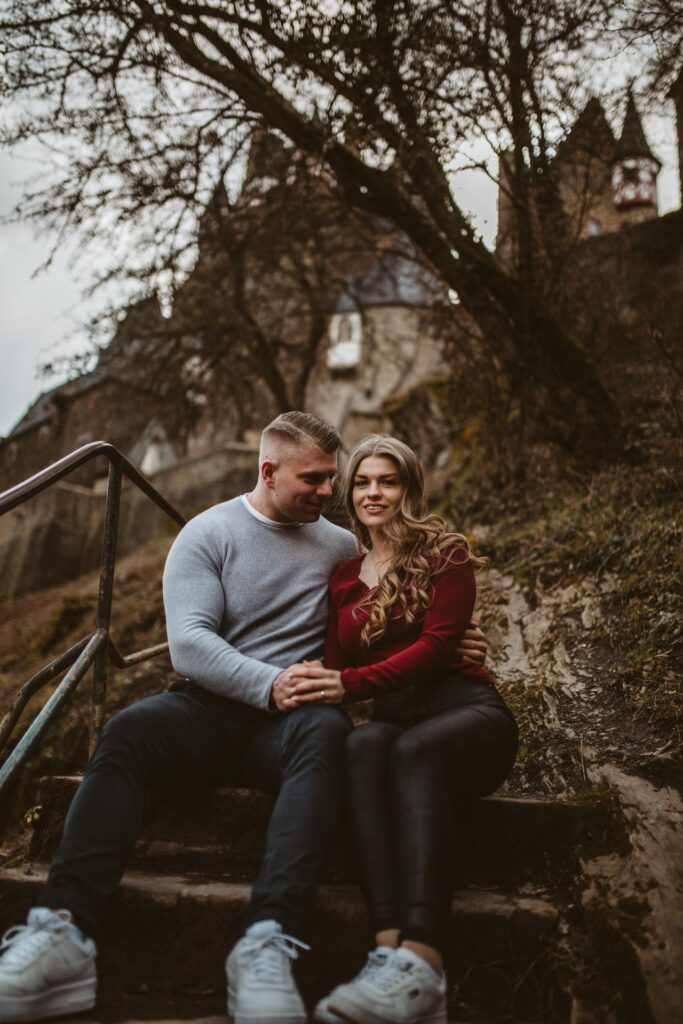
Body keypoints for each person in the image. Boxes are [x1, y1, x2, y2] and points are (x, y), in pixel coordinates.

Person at [0, 414, 487, 1024]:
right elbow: (190, 645)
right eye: (313, 479)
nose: (328, 493)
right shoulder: (208, 534)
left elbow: (390, 602)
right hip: (207, 707)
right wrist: (269, 682)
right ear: (268, 471)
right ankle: (63, 931)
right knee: (127, 730)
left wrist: (454, 639)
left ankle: (266, 937)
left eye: (331, 480)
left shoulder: (341, 544)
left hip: (291, 724)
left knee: (328, 732)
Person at [289, 435, 518, 1024]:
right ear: (349, 494)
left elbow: (439, 648)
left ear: (408, 489)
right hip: (393, 722)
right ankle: (388, 952)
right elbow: (337, 665)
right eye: (362, 482)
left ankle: (425, 962)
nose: (373, 492)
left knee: (411, 750)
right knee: (363, 744)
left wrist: (354, 684)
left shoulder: (446, 553)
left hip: (466, 713)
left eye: (386, 481)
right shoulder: (343, 576)